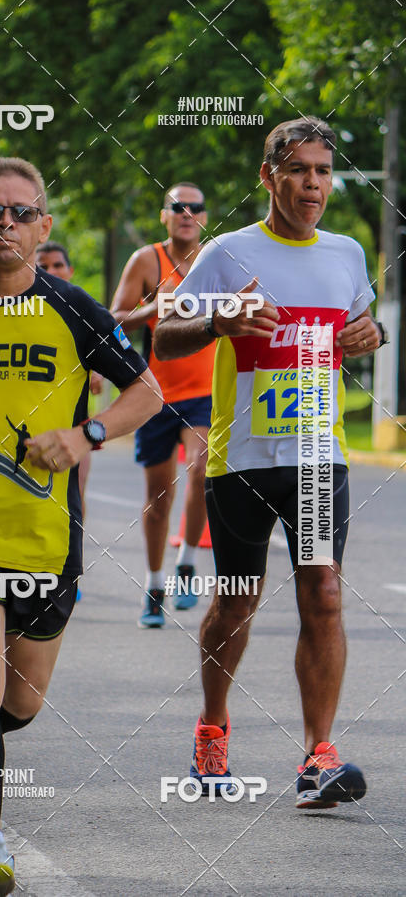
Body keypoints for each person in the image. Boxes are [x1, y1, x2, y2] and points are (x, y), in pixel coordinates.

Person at [0, 157, 162, 895]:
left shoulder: (75, 310)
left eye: (21, 213)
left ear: (43, 225)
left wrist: (87, 437)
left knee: (21, 702)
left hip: (49, 541)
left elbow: (148, 389)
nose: (6, 224)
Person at [154, 117, 385, 809]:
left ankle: (318, 756)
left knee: (325, 592)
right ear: (269, 178)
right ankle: (213, 730)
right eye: (298, 171)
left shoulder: (345, 254)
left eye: (323, 171)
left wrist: (371, 335)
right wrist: (218, 323)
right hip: (243, 462)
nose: (312, 183)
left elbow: (363, 328)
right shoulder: (227, 252)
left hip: (318, 458)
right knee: (236, 601)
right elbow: (165, 337)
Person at [111, 184, 216, 627]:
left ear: (205, 217)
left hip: (206, 391)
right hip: (156, 393)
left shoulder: (218, 258)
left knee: (201, 469)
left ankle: (188, 564)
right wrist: (153, 306)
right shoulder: (146, 260)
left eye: (195, 207)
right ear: (164, 216)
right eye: (178, 207)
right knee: (158, 497)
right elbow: (112, 319)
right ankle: (155, 584)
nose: (187, 213)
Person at [37, 240, 104, 601]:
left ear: (70, 270)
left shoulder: (80, 307)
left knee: (73, 491)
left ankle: (67, 567)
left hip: (76, 424)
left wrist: (96, 374)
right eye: (43, 266)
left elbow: (104, 352)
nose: (51, 272)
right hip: (28, 421)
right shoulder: (21, 308)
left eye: (58, 265)